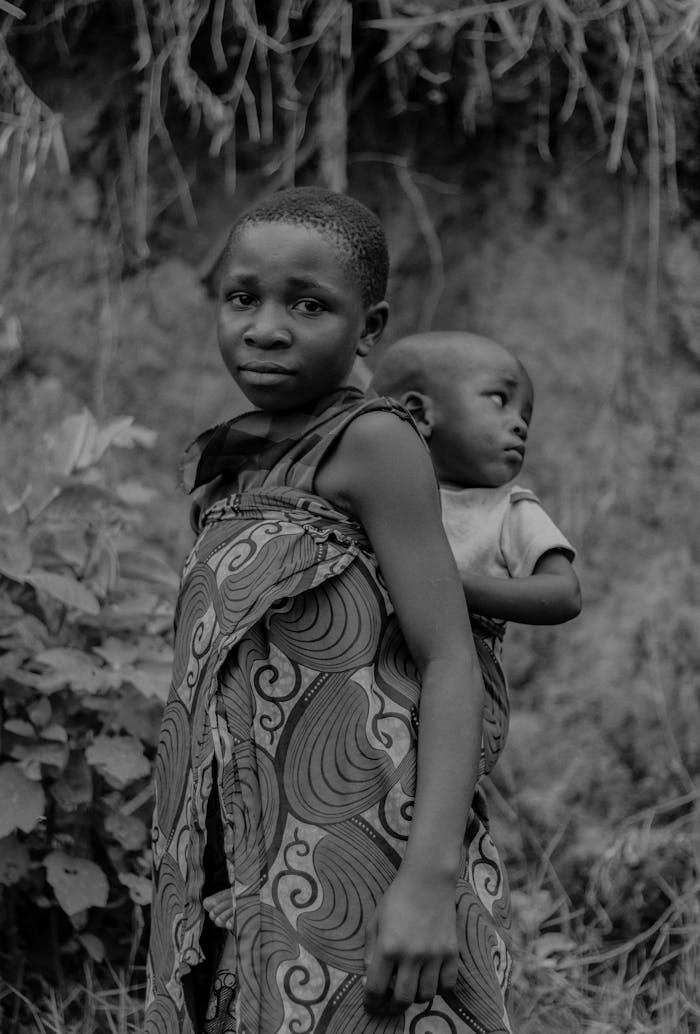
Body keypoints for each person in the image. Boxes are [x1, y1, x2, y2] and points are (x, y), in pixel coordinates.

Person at [146, 190, 514, 1034]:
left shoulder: (372, 443)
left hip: (363, 850)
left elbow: (449, 658)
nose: (266, 327)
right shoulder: (233, 465)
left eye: (308, 305)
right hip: (239, 859)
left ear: (370, 327)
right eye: (243, 298)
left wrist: (427, 880)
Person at [371, 331, 581, 684]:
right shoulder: (371, 494)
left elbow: (564, 593)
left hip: (463, 695)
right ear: (419, 413)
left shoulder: (508, 511)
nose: (520, 424)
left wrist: (453, 584)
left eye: (526, 415)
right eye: (500, 399)